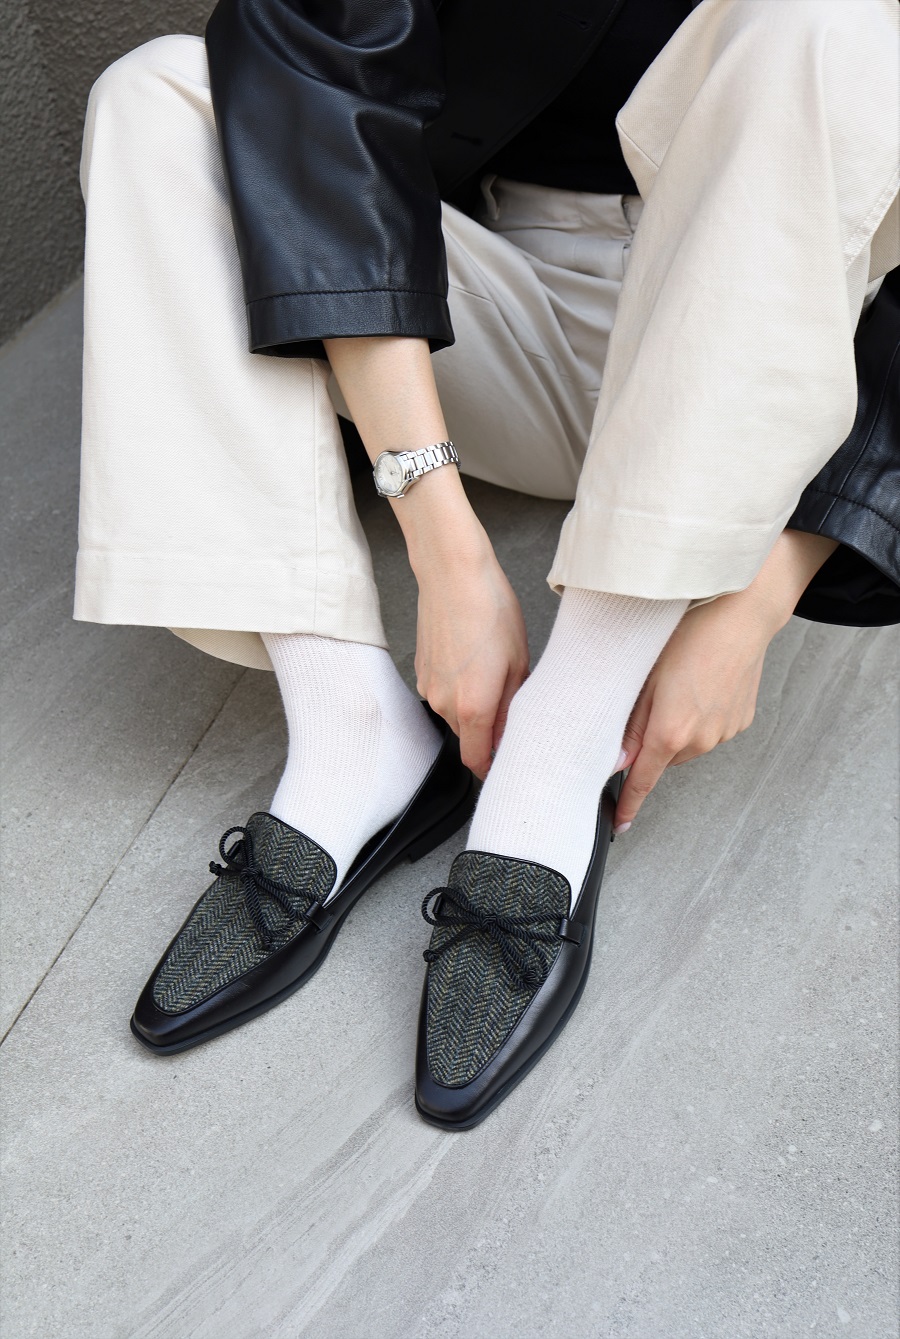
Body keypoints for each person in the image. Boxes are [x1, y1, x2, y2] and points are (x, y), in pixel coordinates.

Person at [75, 0, 900, 1128]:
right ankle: (351, 730)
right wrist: (444, 547)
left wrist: (762, 595)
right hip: (499, 295)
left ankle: (566, 738)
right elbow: (310, 64)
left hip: (780, 336)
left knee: (834, 20)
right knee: (162, 95)